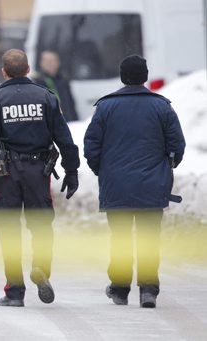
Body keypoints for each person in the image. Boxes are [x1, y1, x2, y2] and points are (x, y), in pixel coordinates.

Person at [0, 49, 80, 307]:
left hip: (6, 174)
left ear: (4, 72)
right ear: (28, 69)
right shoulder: (46, 98)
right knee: (41, 227)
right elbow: (65, 138)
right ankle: (40, 268)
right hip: (38, 173)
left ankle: (15, 292)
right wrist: (71, 171)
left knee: (8, 231)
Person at [84, 55, 186, 308]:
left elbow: (91, 146)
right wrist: (165, 168)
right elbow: (177, 145)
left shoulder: (106, 107)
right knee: (149, 238)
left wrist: (103, 171)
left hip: (116, 185)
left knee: (119, 238)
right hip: (152, 186)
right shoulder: (162, 106)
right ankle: (148, 291)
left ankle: (119, 289)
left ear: (121, 76)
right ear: (145, 76)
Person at [32, 50, 79, 122]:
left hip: (68, 122)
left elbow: (70, 104)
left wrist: (75, 119)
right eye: (47, 61)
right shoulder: (37, 82)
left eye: (53, 61)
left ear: (58, 63)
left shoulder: (63, 79)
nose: (50, 64)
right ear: (41, 63)